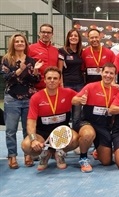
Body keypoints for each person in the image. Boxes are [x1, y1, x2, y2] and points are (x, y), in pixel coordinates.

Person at [21, 66, 79, 170]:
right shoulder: (36, 97)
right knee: (26, 145)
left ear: (60, 80)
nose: (52, 81)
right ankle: (45, 153)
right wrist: (34, 140)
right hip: (42, 134)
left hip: (61, 133)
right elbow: (31, 122)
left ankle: (59, 153)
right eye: (49, 78)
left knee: (76, 139)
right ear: (45, 80)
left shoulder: (69, 93)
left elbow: (86, 96)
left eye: (55, 78)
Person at [1, 33, 43, 169]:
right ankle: (12, 156)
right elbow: (7, 78)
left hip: (28, 99)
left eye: (22, 41)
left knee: (28, 129)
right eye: (17, 41)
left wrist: (36, 71)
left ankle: (28, 154)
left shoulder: (31, 60)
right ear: (12, 44)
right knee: (11, 130)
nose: (19, 43)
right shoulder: (6, 60)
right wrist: (20, 69)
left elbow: (35, 81)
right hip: (12, 98)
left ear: (26, 44)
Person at [72, 63, 119, 173]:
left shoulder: (116, 91)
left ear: (114, 76)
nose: (108, 75)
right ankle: (83, 158)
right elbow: (74, 100)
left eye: (111, 73)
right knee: (89, 134)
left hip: (104, 126)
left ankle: (97, 151)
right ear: (101, 73)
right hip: (87, 122)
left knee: (106, 162)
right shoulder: (91, 86)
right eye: (106, 72)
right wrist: (80, 100)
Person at [58, 29, 84, 132]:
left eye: (76, 36)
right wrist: (61, 85)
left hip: (79, 85)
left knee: (77, 115)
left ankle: (76, 138)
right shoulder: (62, 51)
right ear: (68, 38)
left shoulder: (81, 52)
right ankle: (63, 138)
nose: (73, 37)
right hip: (67, 85)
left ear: (79, 39)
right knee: (65, 114)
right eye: (71, 35)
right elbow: (59, 70)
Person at [28, 23, 58, 90]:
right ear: (39, 33)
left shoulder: (56, 50)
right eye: (43, 32)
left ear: (52, 34)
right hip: (36, 88)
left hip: (53, 88)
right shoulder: (30, 48)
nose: (46, 34)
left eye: (48, 32)